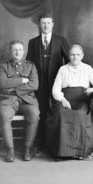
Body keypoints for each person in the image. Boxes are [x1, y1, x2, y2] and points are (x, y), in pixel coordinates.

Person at [45, 45, 93, 160]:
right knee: (61, 113)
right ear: (69, 56)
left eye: (78, 54)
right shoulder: (63, 69)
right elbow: (55, 89)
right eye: (72, 54)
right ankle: (61, 152)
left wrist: (92, 89)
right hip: (65, 98)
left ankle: (78, 152)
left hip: (82, 99)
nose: (75, 57)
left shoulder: (87, 68)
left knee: (80, 115)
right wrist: (62, 99)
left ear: (82, 56)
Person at [26, 13, 70, 149]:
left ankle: (54, 141)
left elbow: (69, 61)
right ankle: (40, 140)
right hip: (38, 82)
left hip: (56, 82)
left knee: (55, 109)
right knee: (40, 109)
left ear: (53, 24)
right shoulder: (33, 42)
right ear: (40, 24)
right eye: (43, 23)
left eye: (48, 23)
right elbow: (28, 63)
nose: (46, 25)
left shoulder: (61, 40)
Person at [0, 40, 40, 162]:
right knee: (4, 115)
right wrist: (22, 80)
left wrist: (13, 88)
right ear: (10, 51)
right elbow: (2, 83)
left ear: (23, 51)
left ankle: (27, 149)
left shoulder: (31, 66)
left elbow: (35, 85)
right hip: (8, 99)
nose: (17, 52)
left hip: (27, 100)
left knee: (34, 114)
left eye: (20, 49)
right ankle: (10, 150)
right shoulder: (3, 66)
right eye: (15, 49)